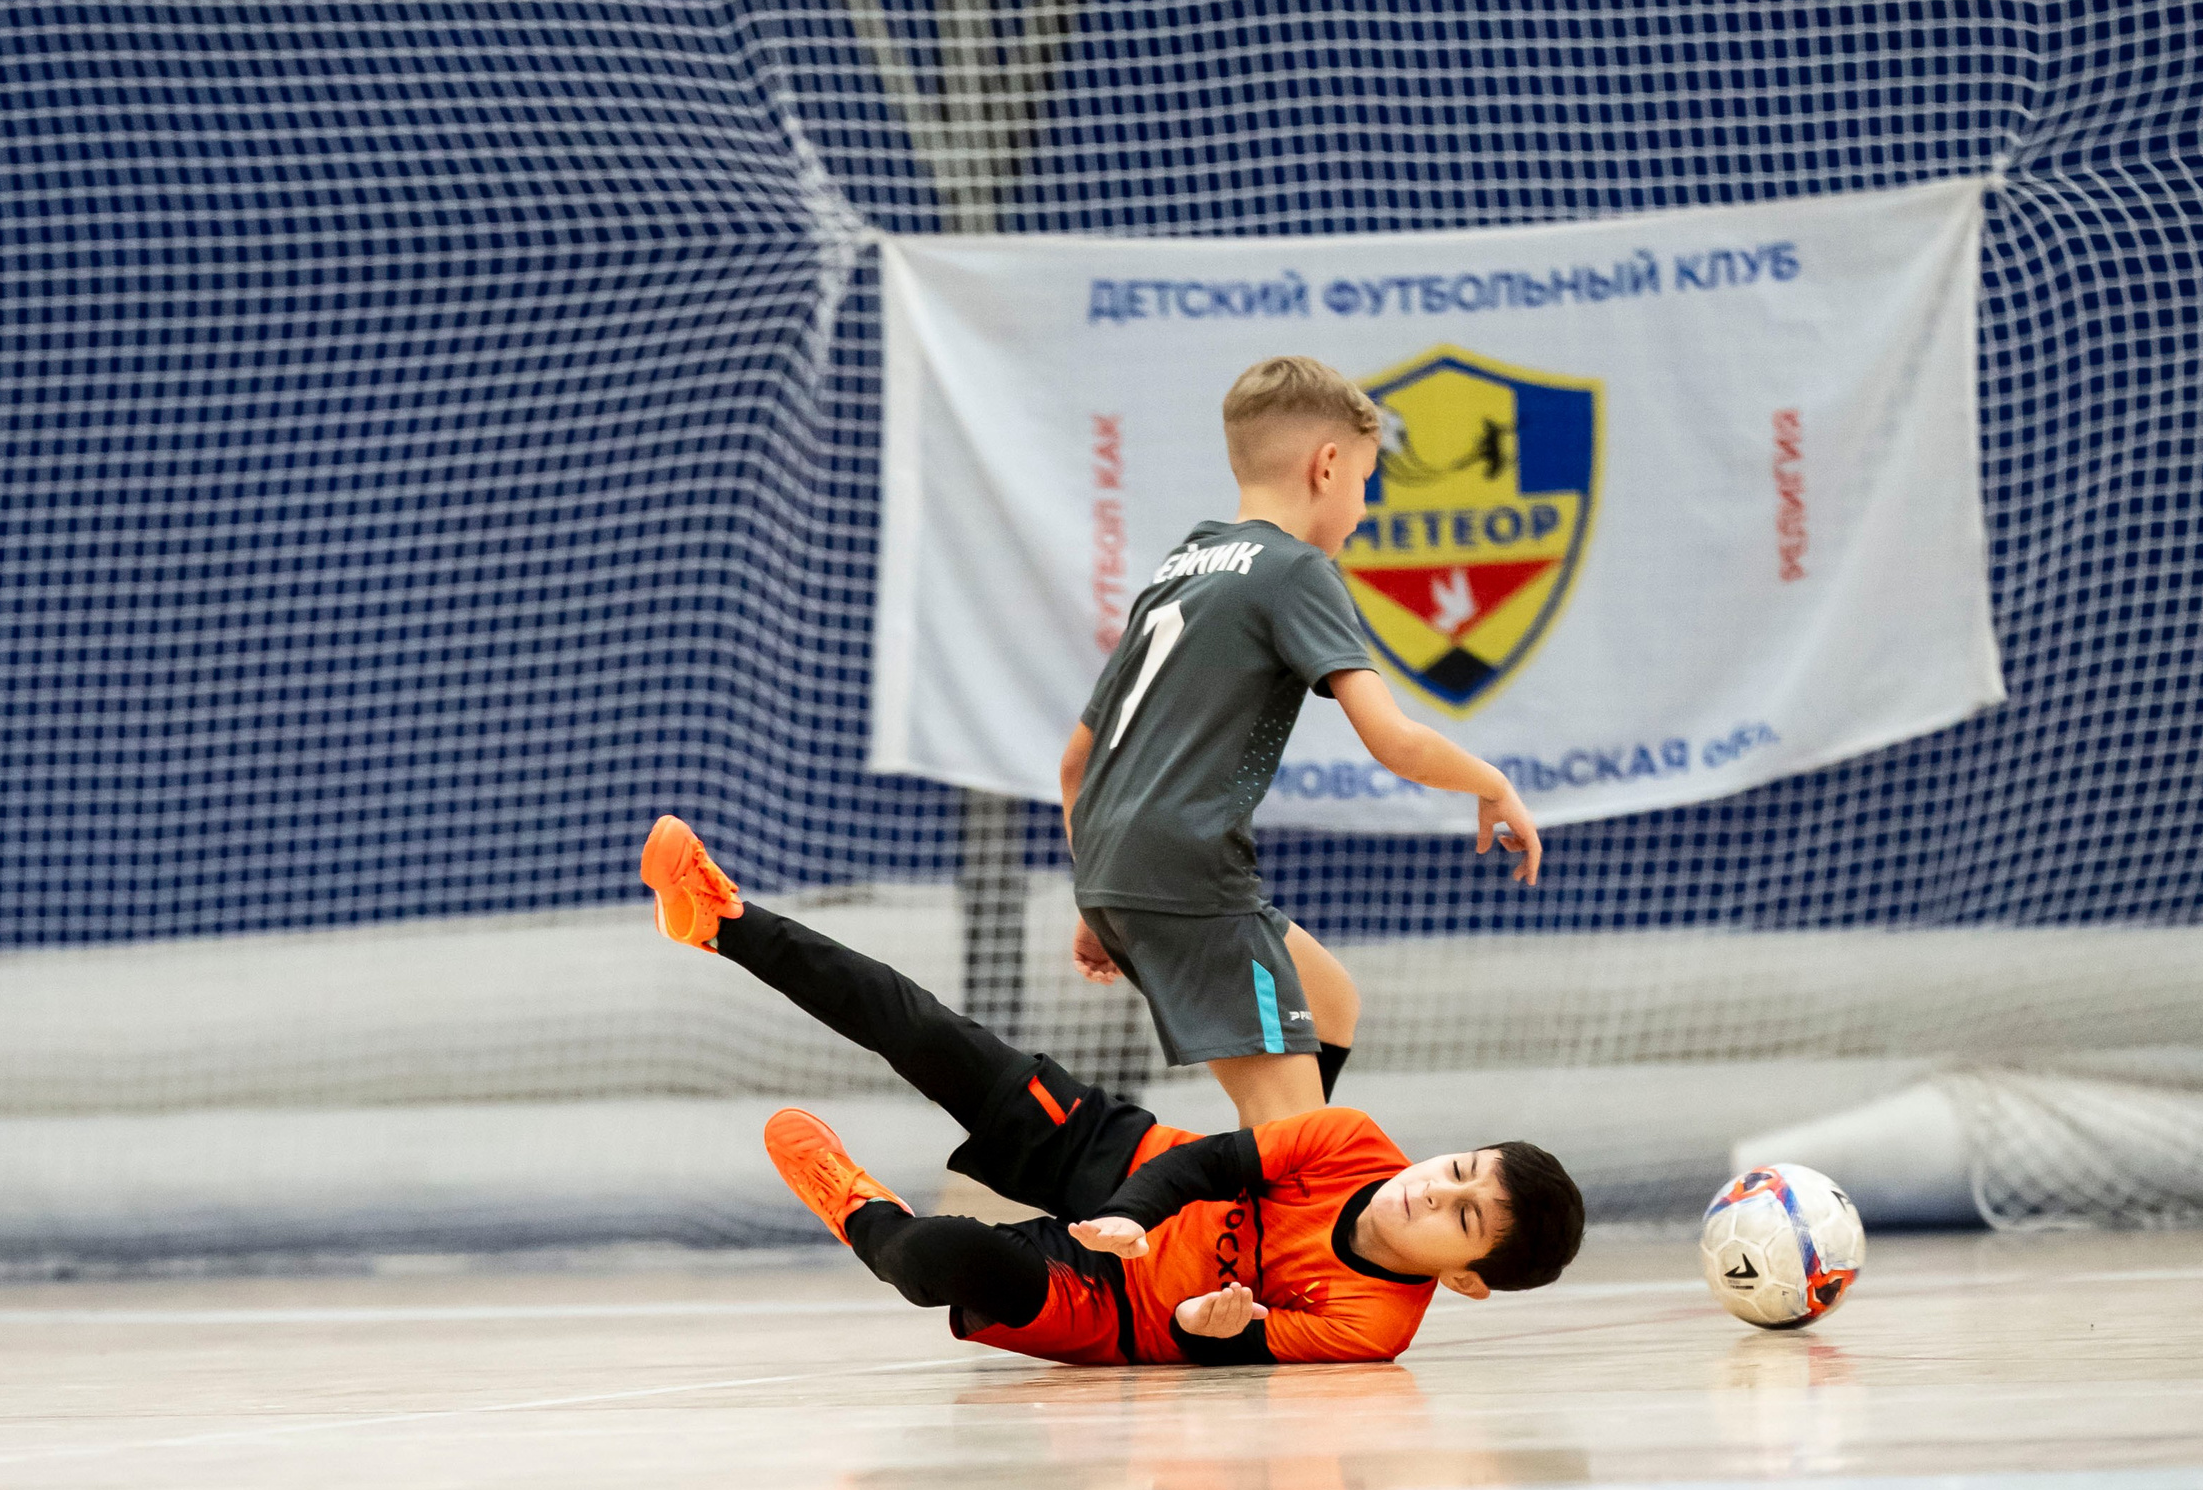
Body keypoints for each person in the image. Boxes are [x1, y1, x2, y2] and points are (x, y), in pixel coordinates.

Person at [642, 815, 1584, 1367]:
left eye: (1461, 1217)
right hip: (1126, 1160)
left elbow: (1234, 1353)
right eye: (1458, 1168)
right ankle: (720, 917)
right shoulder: (1348, 1139)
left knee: (937, 1255)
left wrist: (1204, 1322)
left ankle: (855, 1206)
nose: (1434, 1188)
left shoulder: (1371, 1323)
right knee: (925, 1028)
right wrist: (1151, 938)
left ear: (1463, 1278)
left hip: (1113, 1303)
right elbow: (1217, 1152)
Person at [1060, 355, 1546, 1127]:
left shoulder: (1185, 561)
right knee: (1288, 1134)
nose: (1362, 505)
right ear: (1327, 466)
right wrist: (1490, 781)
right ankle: (1225, 1231)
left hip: (1118, 865)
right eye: (1365, 480)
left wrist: (1101, 889)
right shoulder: (1295, 570)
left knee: (1329, 1002)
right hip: (1189, 875)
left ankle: (1266, 1207)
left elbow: (1078, 762)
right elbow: (1392, 739)